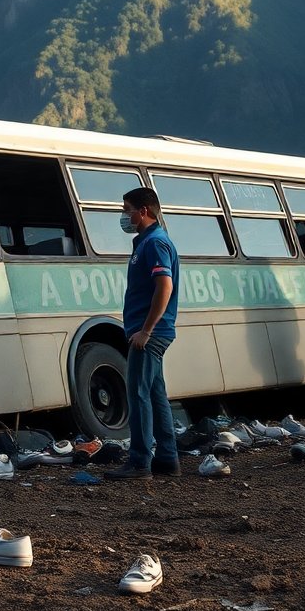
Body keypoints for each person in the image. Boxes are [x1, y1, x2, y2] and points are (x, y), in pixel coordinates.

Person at [105, 187, 181, 480]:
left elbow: (165, 287)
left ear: (144, 211)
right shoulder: (147, 242)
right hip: (149, 331)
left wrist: (145, 331)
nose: (125, 216)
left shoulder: (155, 243)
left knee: (136, 393)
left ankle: (139, 462)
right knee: (155, 393)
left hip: (149, 333)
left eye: (127, 209)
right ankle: (167, 458)